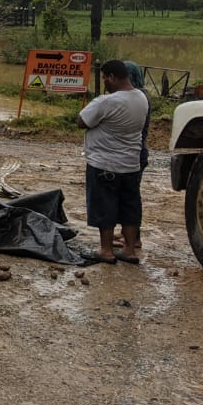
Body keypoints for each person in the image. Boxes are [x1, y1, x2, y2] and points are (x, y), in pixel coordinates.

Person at [77, 59, 149, 264]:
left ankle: (106, 250)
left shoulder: (106, 102)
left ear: (112, 77)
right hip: (131, 164)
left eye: (105, 79)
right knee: (129, 208)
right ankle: (129, 250)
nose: (104, 83)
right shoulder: (142, 99)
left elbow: (81, 121)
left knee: (104, 206)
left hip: (104, 164)